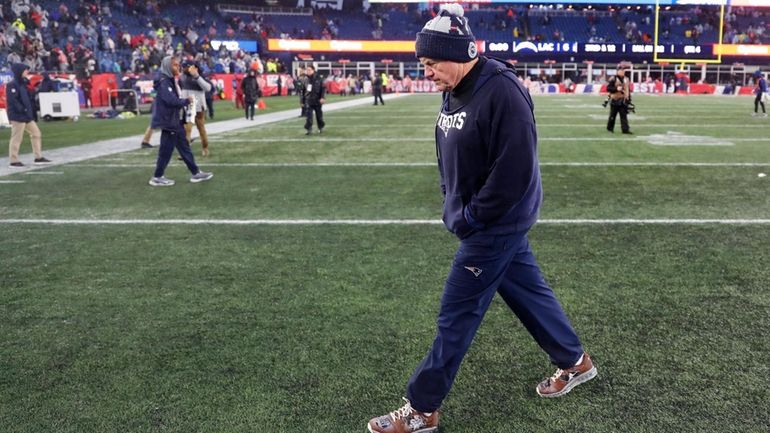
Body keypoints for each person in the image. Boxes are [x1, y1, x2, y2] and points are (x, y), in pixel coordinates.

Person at [366, 5, 596, 433]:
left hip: (495, 224)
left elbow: (514, 172)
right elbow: (448, 151)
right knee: (529, 293)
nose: (427, 72)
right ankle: (575, 361)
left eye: (432, 63)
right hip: (482, 221)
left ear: (458, 53)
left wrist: (470, 216)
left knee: (456, 315)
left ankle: (422, 408)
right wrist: (449, 198)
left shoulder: (502, 91)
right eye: (423, 64)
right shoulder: (455, 88)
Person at [148, 56, 213, 187]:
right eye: (175, 65)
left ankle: (195, 173)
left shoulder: (169, 80)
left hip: (174, 120)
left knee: (184, 148)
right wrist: (185, 101)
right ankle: (157, 176)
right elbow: (170, 100)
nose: (178, 67)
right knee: (166, 151)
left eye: (178, 65)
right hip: (168, 120)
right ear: (167, 66)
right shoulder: (163, 81)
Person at [6, 63, 51, 167]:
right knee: (17, 137)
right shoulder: (12, 84)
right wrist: (23, 109)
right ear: (19, 71)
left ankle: (38, 157)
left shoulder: (23, 83)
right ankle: (13, 160)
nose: (27, 72)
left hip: (26, 115)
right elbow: (13, 100)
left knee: (36, 133)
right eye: (25, 70)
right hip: (18, 115)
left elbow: (28, 98)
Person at [180, 60, 212, 156]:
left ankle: (205, 148)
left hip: (198, 106)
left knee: (201, 128)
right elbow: (183, 91)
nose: (183, 69)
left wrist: (197, 76)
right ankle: (185, 151)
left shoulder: (201, 76)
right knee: (186, 129)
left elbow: (208, 88)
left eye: (186, 67)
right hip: (188, 106)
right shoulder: (184, 77)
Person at [606, 64, 632, 134]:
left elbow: (628, 90)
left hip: (623, 100)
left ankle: (625, 130)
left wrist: (629, 100)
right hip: (615, 100)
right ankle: (610, 129)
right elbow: (608, 88)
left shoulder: (626, 79)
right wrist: (616, 89)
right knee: (612, 116)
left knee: (624, 116)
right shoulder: (613, 79)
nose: (622, 71)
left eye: (623, 70)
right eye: (621, 70)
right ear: (618, 71)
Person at [302, 65, 325, 135]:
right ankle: (309, 129)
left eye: (309, 70)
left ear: (313, 70)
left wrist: (322, 97)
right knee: (308, 117)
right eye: (307, 70)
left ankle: (320, 127)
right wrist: (302, 101)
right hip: (308, 100)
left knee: (319, 116)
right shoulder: (305, 79)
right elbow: (303, 91)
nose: (308, 71)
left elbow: (323, 89)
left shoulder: (319, 78)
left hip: (317, 100)